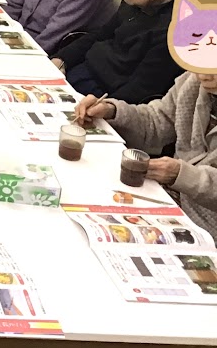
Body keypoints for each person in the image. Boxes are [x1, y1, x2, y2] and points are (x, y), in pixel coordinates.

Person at [75, 70, 217, 239]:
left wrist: (182, 175)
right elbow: (157, 121)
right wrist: (112, 111)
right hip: (167, 198)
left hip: (207, 227)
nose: (204, 76)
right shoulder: (193, 82)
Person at [53, 0, 184, 104]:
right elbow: (101, 34)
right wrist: (62, 58)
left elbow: (138, 93)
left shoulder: (176, 31)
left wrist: (105, 108)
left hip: (101, 97)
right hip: (80, 71)